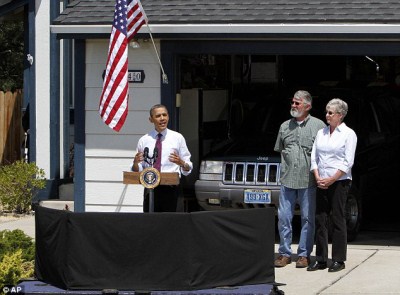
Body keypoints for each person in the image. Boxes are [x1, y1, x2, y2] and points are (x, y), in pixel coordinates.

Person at [274, 90, 326, 268]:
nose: (293, 105)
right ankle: (284, 253)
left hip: (308, 181)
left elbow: (322, 154)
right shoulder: (284, 126)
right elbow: (281, 149)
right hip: (287, 180)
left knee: (307, 219)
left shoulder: (319, 126)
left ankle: (304, 254)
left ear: (308, 106)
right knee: (284, 218)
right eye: (293, 102)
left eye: (297, 103)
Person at [307, 98, 357, 272]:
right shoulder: (321, 132)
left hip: (339, 182)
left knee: (337, 218)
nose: (327, 115)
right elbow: (314, 156)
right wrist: (318, 175)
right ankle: (320, 258)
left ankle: (338, 259)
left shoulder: (349, 134)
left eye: (330, 112)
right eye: (326, 112)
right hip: (321, 180)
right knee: (320, 218)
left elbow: (347, 162)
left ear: (340, 115)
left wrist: (332, 179)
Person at [132, 104, 193, 212]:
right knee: (152, 224)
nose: (162, 118)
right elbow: (138, 169)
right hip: (151, 188)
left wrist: (182, 163)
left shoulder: (177, 138)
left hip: (171, 188)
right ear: (151, 119)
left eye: (164, 115)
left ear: (168, 117)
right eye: (158, 116)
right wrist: (135, 163)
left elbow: (188, 167)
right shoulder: (144, 140)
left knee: (171, 224)